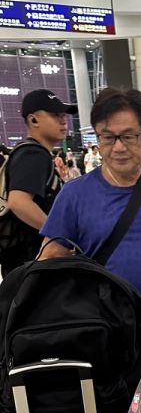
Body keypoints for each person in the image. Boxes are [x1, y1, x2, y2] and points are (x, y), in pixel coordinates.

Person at [37, 88, 141, 345]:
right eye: (108, 137)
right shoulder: (74, 195)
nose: (118, 147)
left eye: (128, 136)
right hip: (107, 340)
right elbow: (47, 264)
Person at [0, 89, 74, 277]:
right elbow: (19, 202)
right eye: (55, 115)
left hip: (25, 263)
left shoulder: (29, 152)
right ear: (33, 120)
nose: (63, 120)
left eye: (63, 115)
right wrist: (59, 236)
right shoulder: (33, 154)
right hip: (33, 263)